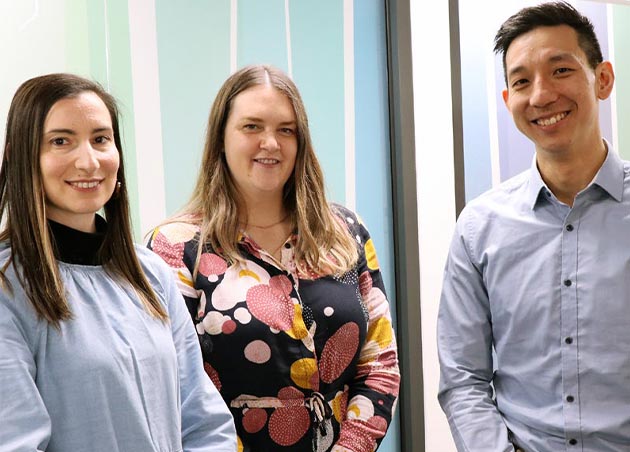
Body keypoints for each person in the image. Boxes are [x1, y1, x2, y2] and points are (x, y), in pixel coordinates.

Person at [147, 64, 399, 451]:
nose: (271, 143)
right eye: (252, 127)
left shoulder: (345, 231)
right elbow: (171, 390)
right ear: (221, 138)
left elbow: (379, 361)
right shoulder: (175, 247)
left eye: (286, 129)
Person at [0, 73, 236, 452]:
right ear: (19, 155)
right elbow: (16, 442)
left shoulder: (151, 274)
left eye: (100, 139)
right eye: (61, 141)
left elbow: (204, 421)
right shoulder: (8, 287)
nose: (88, 160)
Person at [437, 2, 630, 451]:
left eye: (560, 70)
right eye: (521, 81)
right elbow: (463, 380)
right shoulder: (479, 228)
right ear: (508, 101)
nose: (541, 95)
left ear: (602, 79)